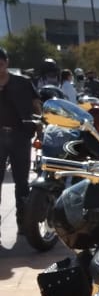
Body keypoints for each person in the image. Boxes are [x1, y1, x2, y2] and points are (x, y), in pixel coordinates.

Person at [0, 47, 43, 234]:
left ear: (7, 62)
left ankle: (24, 224)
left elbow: (37, 105)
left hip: (20, 136)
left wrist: (40, 129)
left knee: (22, 183)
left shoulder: (23, 83)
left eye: (0, 64)